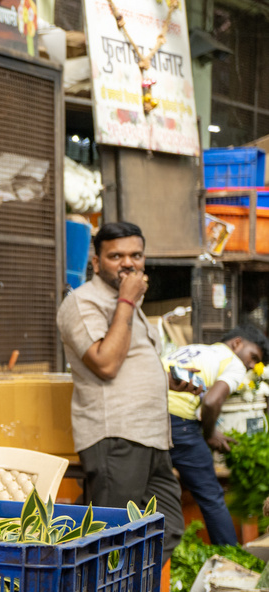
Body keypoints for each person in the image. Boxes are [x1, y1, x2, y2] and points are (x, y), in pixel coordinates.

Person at [56, 220, 184, 555]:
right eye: (116, 256)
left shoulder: (132, 306)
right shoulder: (84, 302)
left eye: (136, 255)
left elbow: (131, 362)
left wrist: (171, 380)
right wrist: (126, 301)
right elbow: (107, 363)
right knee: (111, 540)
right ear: (96, 263)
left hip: (152, 437)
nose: (129, 263)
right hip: (117, 435)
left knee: (166, 528)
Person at [162, 326, 267, 546]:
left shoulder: (194, 349)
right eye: (253, 357)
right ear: (237, 342)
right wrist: (209, 435)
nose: (250, 365)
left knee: (157, 492)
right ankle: (230, 558)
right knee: (212, 498)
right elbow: (211, 401)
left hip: (150, 418)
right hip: (178, 423)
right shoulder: (233, 363)